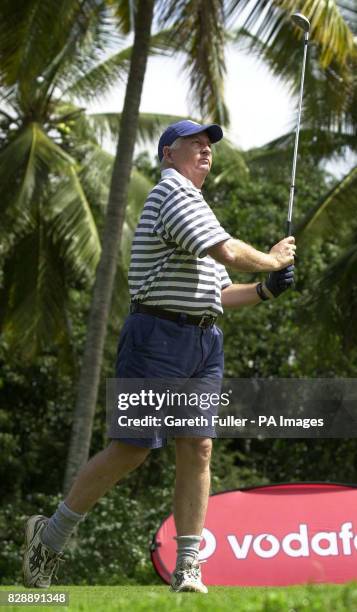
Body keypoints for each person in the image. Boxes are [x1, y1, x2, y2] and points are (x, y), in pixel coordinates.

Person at [23, 120, 295, 593]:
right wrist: (272, 260)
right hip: (157, 338)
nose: (206, 150)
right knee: (131, 449)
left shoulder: (198, 206)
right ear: (169, 154)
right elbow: (228, 251)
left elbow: (218, 294)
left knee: (198, 446)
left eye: (209, 145)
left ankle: (188, 565)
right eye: (195, 143)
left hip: (203, 340)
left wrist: (265, 290)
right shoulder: (173, 192)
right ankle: (48, 538)